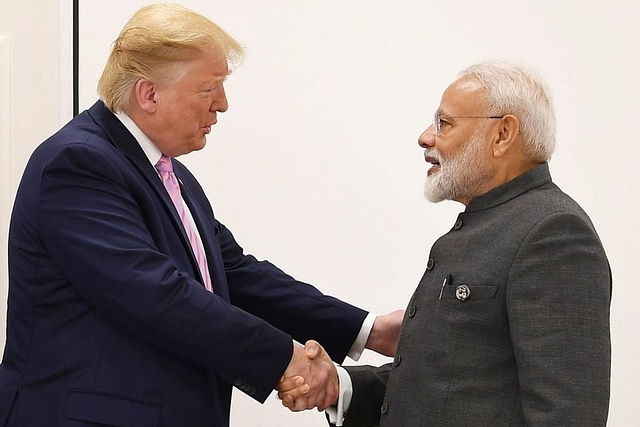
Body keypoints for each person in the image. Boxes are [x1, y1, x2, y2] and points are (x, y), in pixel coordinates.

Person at [0, 4, 403, 426]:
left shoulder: (169, 173)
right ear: (149, 93)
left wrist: (367, 329)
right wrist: (287, 360)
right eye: (209, 88)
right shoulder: (77, 163)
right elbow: (159, 296)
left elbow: (236, 275)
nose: (223, 105)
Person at [279, 59, 612, 426]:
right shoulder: (492, 222)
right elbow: (450, 385)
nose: (425, 136)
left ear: (502, 135)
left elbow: (567, 417)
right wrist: (340, 386)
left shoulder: (553, 234)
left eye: (444, 123)